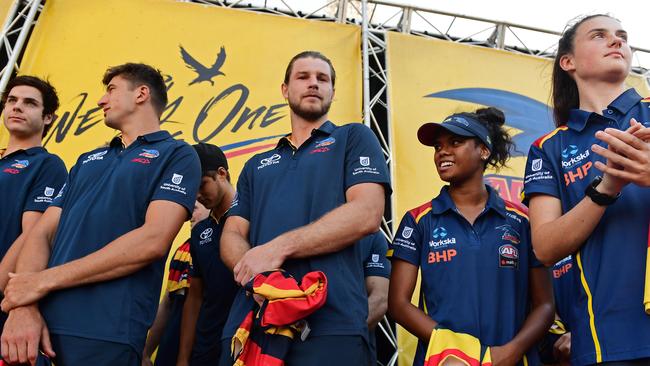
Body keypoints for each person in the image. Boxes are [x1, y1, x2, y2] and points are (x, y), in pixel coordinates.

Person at [0, 63, 201, 366]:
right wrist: (24, 307)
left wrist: (43, 281)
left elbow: (153, 239)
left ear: (141, 94)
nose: (101, 100)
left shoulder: (178, 155)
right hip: (40, 329)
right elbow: (42, 233)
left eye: (111, 90)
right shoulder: (87, 160)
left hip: (107, 331)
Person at [218, 50, 391, 365]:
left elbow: (367, 213)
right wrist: (256, 278)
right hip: (254, 321)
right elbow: (231, 233)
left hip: (331, 324)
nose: (313, 84)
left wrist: (278, 248)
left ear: (333, 92)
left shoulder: (353, 138)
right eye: (303, 77)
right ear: (285, 90)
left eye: (322, 79)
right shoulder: (257, 165)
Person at [522, 14, 650, 365]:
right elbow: (546, 247)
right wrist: (606, 187)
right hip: (603, 341)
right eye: (600, 35)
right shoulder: (548, 148)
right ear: (568, 62)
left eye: (622, 36)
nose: (617, 41)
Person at [389, 108, 554, 365]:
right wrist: (454, 349)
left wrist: (511, 351)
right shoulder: (418, 220)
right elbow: (398, 304)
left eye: (455, 142)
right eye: (437, 146)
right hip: (447, 361)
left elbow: (544, 305)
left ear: (483, 151)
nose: (442, 151)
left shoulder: (523, 220)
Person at [0, 75, 67, 365]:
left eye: (29, 103)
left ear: (48, 117)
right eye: (12, 101)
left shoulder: (47, 164)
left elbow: (32, 235)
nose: (17, 107)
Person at [175, 143, 238, 366]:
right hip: (207, 344)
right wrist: (183, 358)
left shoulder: (252, 215)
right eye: (194, 189)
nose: (199, 195)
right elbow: (195, 298)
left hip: (244, 338)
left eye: (203, 185)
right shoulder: (200, 232)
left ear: (222, 174)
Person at [142, 201, 210, 366]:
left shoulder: (219, 248)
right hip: (169, 349)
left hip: (202, 351)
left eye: (195, 209)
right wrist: (146, 352)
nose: (190, 217)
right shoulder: (182, 249)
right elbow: (168, 303)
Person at [360, 232, 390, 366]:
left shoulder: (371, 235)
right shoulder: (295, 232)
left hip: (355, 347)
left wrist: (345, 333)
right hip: (296, 343)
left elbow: (380, 299)